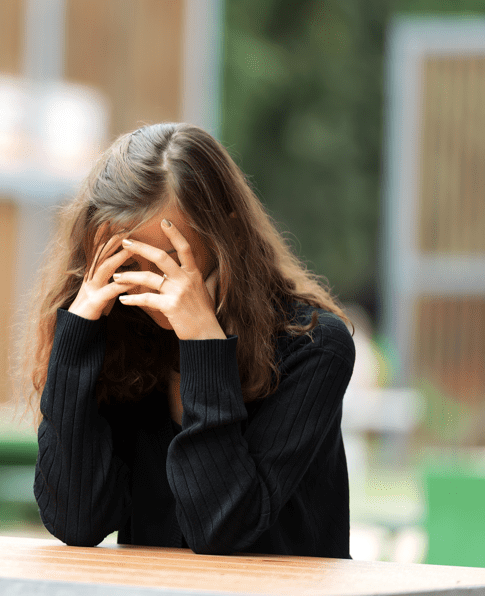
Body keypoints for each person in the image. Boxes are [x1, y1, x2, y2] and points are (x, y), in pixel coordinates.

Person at [18, 122, 356, 557]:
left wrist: (203, 344)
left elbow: (221, 530)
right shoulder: (121, 331)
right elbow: (76, 520)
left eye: (170, 260)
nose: (152, 286)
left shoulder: (313, 346)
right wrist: (75, 340)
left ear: (228, 232)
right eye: (129, 264)